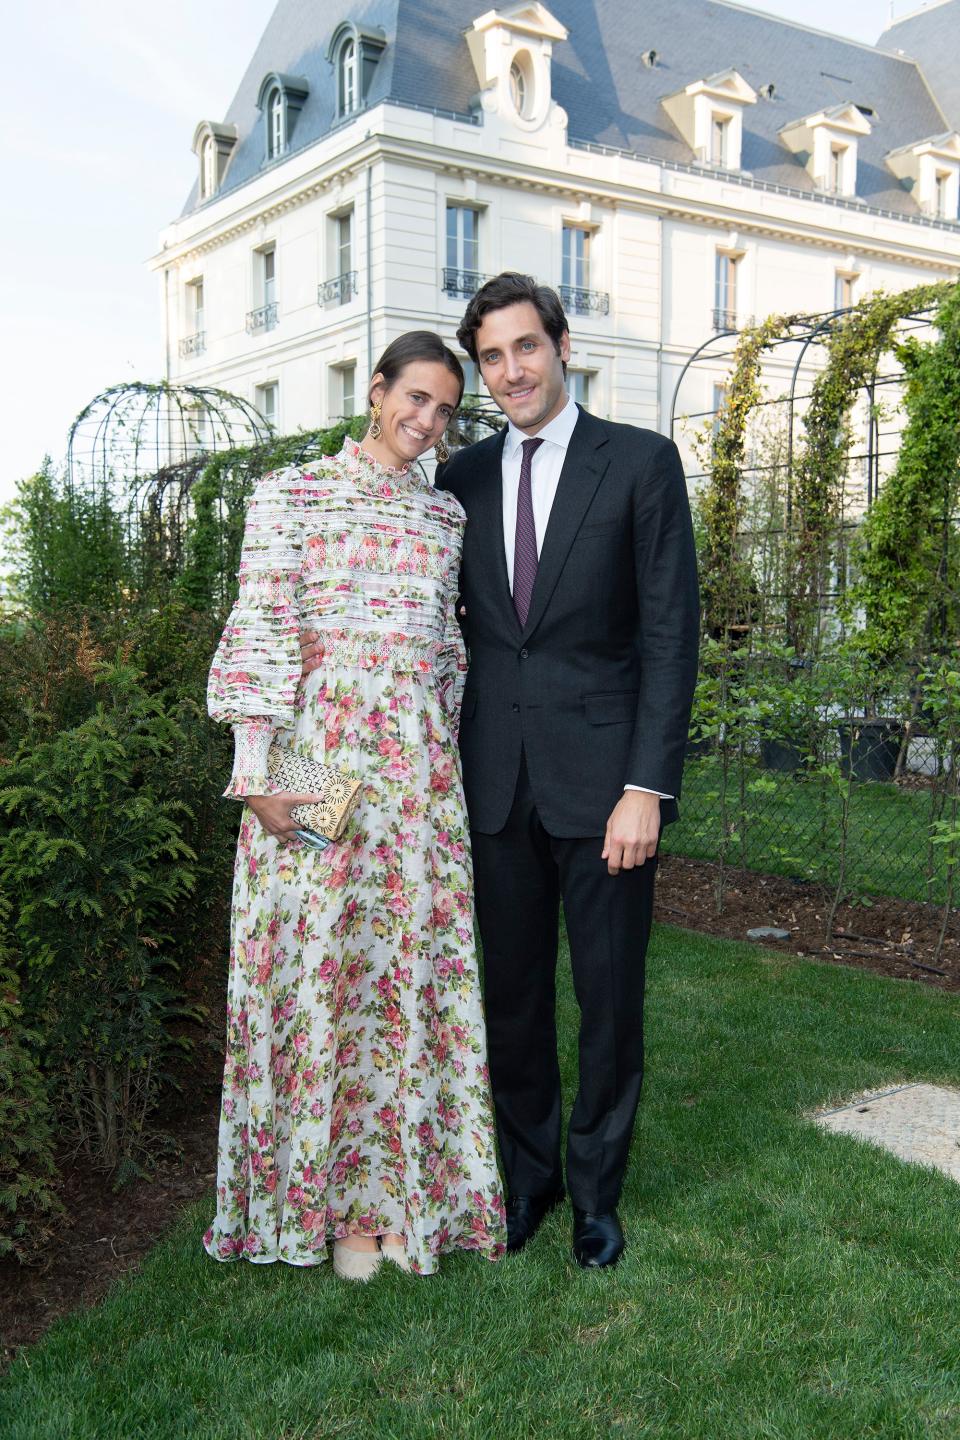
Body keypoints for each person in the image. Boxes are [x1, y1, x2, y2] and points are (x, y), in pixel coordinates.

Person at [204, 332, 506, 1281]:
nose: (426, 421)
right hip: (318, 764)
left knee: (402, 979)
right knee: (316, 974)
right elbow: (261, 629)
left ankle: (393, 1204)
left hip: (415, 780)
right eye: (413, 398)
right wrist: (258, 776)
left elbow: (450, 661)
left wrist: (442, 763)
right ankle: (314, 1207)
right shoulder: (290, 494)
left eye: (444, 409)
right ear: (375, 393)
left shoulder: (448, 520)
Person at [439, 273, 699, 1268]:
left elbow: (672, 639)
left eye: (525, 348)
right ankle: (529, 1180)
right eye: (492, 357)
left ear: (561, 344)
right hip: (493, 785)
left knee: (607, 998)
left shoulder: (638, 464)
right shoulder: (458, 482)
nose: (511, 371)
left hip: (607, 794)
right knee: (510, 997)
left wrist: (647, 787)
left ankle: (597, 1196)